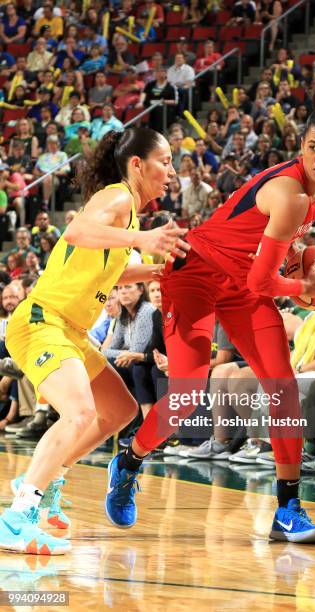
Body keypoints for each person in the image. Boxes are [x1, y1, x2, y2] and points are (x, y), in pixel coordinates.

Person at [105, 85, 315, 544]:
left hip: (242, 281)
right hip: (194, 272)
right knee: (186, 396)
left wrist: (295, 258)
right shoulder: (291, 192)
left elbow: (259, 262)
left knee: (283, 387)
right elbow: (264, 281)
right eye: (313, 148)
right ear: (301, 148)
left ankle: (288, 507)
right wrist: (304, 287)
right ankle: (129, 459)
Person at [0, 126, 189, 555]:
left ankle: (47, 482)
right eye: (165, 160)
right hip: (42, 321)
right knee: (80, 411)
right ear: (137, 164)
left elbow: (112, 271)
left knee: (119, 409)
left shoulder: (129, 214)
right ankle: (17, 515)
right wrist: (142, 241)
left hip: (72, 331)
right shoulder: (118, 196)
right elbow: (75, 232)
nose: (171, 170)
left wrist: (159, 271)